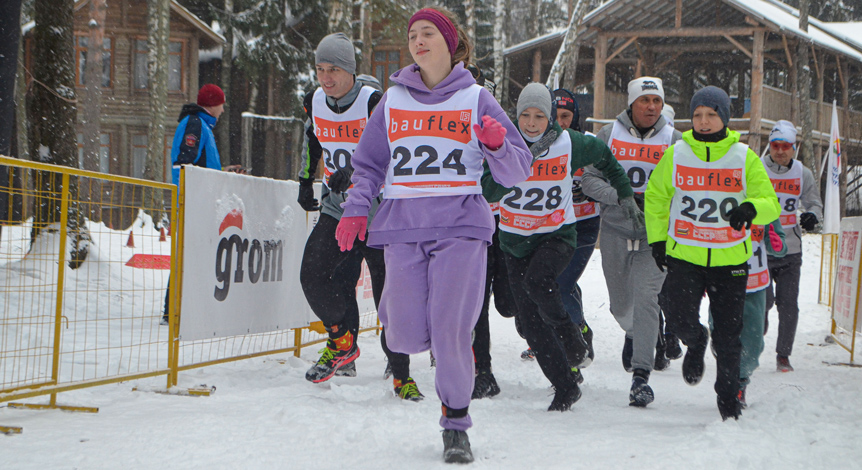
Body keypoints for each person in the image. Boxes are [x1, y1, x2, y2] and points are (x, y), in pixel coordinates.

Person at [335, 7, 532, 463]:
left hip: (462, 227)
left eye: (428, 33)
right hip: (404, 226)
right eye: (412, 35)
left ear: (450, 41)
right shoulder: (393, 100)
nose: (418, 41)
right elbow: (367, 165)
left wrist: (497, 144)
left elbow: (517, 170)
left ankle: (455, 422)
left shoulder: (476, 98)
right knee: (400, 333)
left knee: (450, 328)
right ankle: (436, 357)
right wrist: (356, 208)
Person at [483, 82, 638, 409]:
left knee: (539, 282)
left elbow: (605, 158)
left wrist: (624, 192)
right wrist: (499, 160)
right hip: (514, 241)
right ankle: (566, 386)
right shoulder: (505, 144)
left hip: (557, 235)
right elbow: (487, 190)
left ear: (551, 117)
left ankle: (572, 339)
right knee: (530, 325)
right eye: (525, 115)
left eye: (540, 115)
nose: (531, 123)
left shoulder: (569, 143)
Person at [295, 33, 421, 400]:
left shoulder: (374, 103)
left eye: (333, 69)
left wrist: (355, 170)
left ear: (350, 70)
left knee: (388, 299)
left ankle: (402, 377)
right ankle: (342, 342)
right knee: (313, 274)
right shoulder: (315, 101)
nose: (326, 77)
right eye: (320, 69)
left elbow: (398, 151)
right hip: (338, 207)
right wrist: (305, 179)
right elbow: (313, 140)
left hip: (380, 211)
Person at [645, 85, 780, 420]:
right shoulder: (677, 154)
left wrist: (750, 209)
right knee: (676, 315)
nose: (704, 122)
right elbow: (657, 197)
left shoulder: (743, 156)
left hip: (730, 260)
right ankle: (695, 340)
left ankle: (728, 402)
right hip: (685, 254)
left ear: (724, 118)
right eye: (698, 115)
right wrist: (658, 240)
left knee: (729, 336)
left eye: (711, 115)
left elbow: (770, 203)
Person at [582, 77, 681, 406]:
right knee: (621, 305)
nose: (651, 106)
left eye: (656, 100)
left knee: (646, 298)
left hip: (655, 235)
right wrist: (622, 197)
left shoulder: (675, 140)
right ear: (631, 103)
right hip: (615, 229)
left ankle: (641, 376)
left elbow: (685, 186)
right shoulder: (609, 135)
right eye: (645, 100)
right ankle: (632, 331)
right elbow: (589, 179)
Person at [761, 120, 824, 372]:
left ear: (793, 147)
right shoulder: (756, 167)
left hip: (790, 250)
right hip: (761, 249)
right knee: (762, 301)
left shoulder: (802, 173)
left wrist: (812, 216)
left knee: (788, 304)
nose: (780, 151)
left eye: (785, 146)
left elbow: (815, 204)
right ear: (770, 146)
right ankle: (758, 326)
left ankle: (783, 354)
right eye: (775, 145)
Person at [162, 84, 227, 325]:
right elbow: (183, 165)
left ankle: (181, 308)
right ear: (212, 104)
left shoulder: (202, 126)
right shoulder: (195, 125)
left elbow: (200, 165)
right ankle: (174, 310)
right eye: (221, 103)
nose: (223, 109)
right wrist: (188, 200)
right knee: (188, 254)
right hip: (193, 203)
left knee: (192, 254)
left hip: (198, 202)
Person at [710, 219, 786, 407]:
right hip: (722, 281)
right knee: (722, 336)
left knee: (753, 342)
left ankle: (740, 381)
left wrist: (778, 245)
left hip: (755, 285)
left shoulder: (765, 206)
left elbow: (778, 242)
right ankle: (730, 381)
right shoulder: (721, 200)